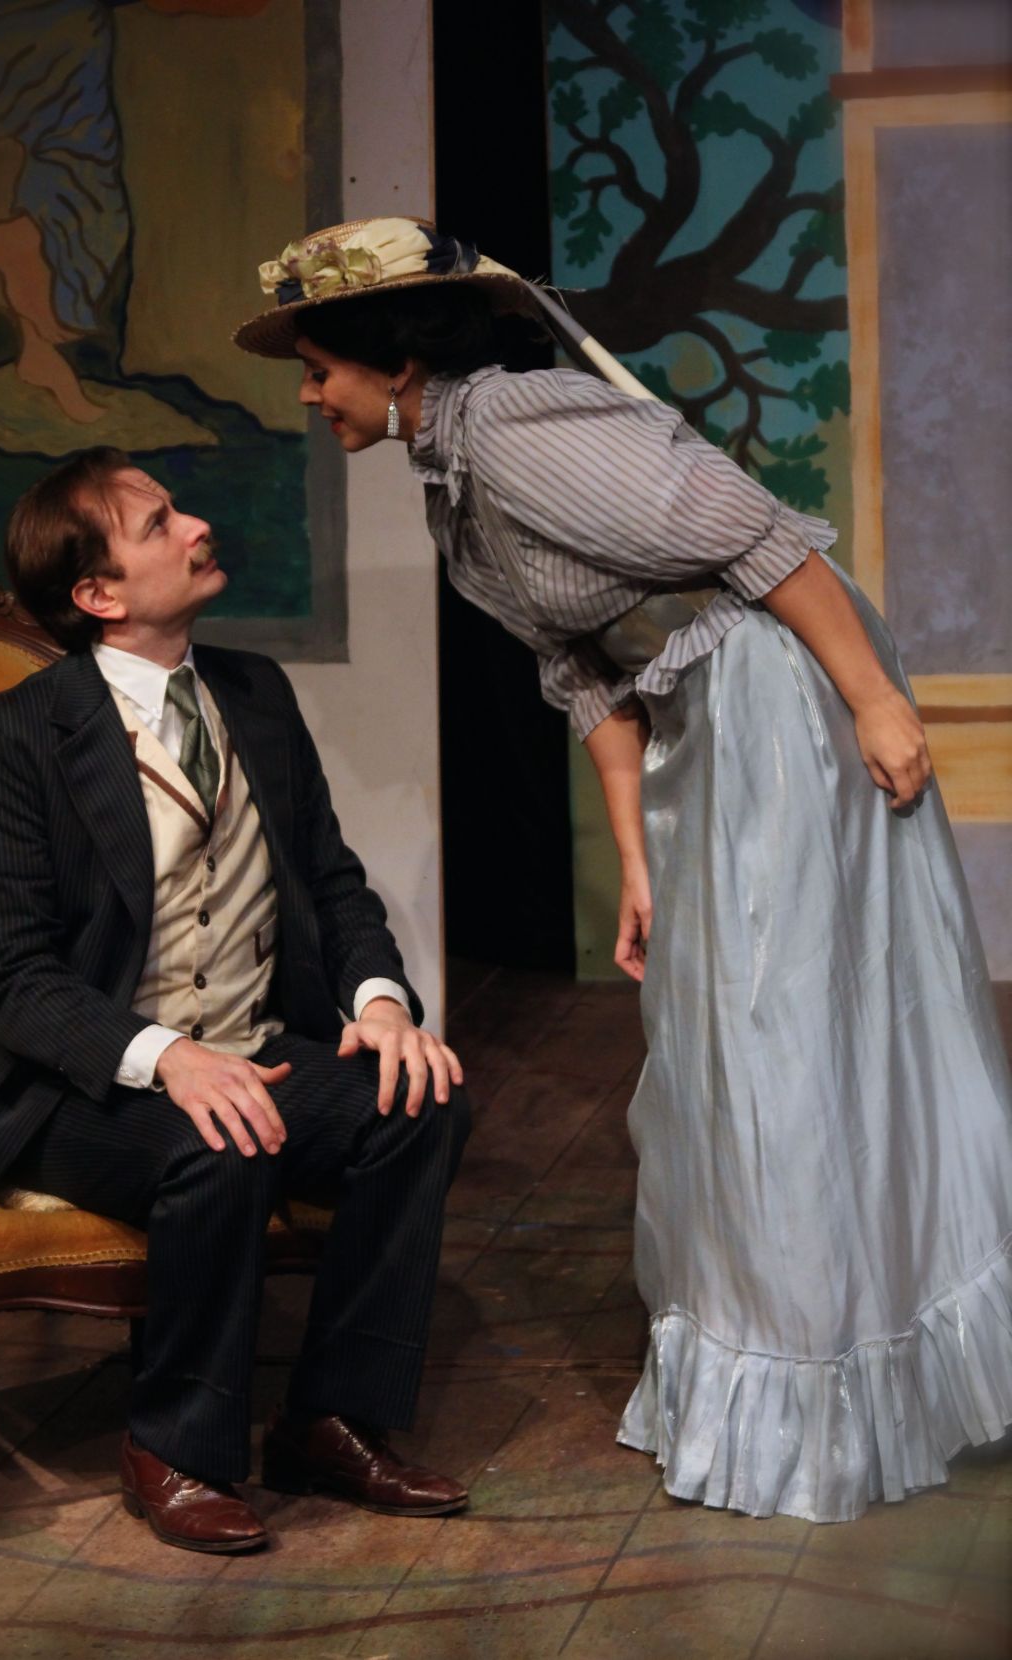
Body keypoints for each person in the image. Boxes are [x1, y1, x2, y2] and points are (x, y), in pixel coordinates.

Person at [233, 217, 1012, 1524]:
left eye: (319, 370)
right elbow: (583, 676)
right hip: (706, 725)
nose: (310, 397)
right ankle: (778, 1359)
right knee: (726, 1043)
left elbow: (761, 538)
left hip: (782, 697)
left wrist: (876, 700)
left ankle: (826, 1377)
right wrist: (637, 864)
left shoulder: (513, 428)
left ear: (394, 361)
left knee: (780, 1032)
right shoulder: (451, 477)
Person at [0, 445, 472, 1553]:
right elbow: (10, 974)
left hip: (250, 1046)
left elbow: (330, 879)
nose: (196, 525)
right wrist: (167, 1056)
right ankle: (174, 1446)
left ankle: (332, 1419)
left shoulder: (256, 693)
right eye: (160, 522)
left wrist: (381, 1005)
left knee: (418, 1102)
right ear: (98, 594)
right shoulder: (17, 736)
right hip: (82, 1085)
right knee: (221, 1137)